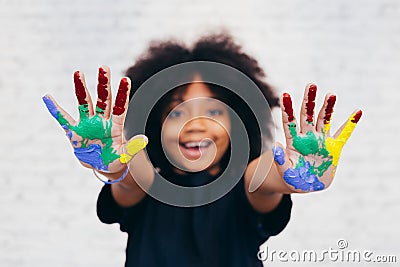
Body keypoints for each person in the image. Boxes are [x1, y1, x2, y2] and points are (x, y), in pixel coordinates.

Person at [42, 33, 362, 267]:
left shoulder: (246, 181)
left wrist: (295, 173)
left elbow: (267, 174)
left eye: (213, 111)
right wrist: (112, 162)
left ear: (238, 122)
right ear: (154, 123)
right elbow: (132, 172)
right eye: (176, 112)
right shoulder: (148, 182)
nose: (194, 124)